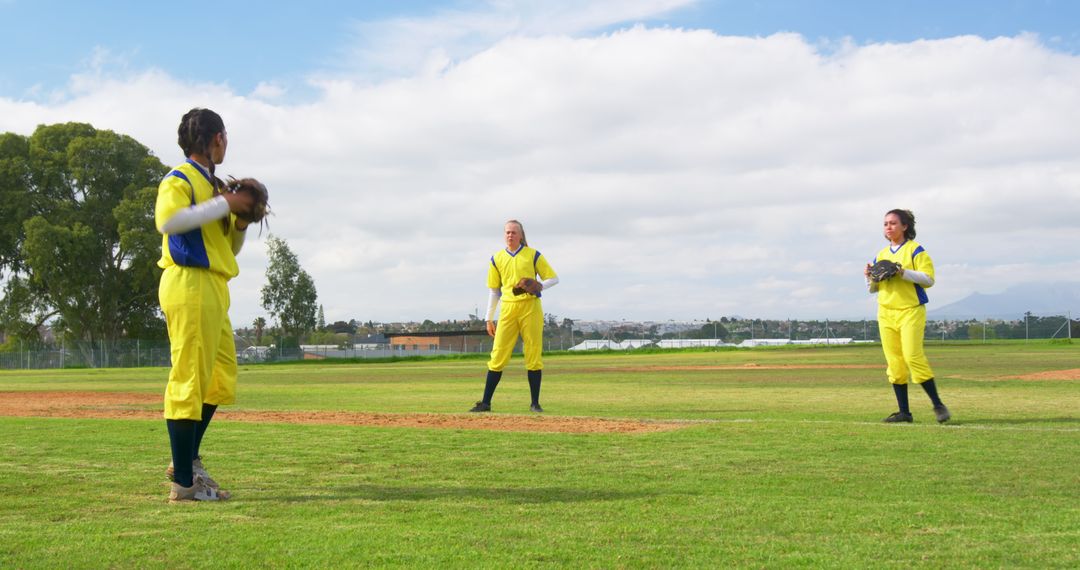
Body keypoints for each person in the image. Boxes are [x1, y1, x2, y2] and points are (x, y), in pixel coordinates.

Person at [156, 108, 255, 502]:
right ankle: (183, 484)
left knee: (220, 376)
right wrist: (227, 203)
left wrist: (241, 220)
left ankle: (186, 460)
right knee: (189, 379)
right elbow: (168, 221)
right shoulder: (179, 179)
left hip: (214, 285)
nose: (226, 143)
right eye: (225, 137)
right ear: (217, 139)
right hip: (188, 282)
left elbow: (227, 247)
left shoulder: (213, 189)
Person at [865, 209, 951, 424]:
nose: (888, 227)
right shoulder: (880, 254)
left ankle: (938, 404)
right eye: (885, 223)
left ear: (905, 226)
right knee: (894, 362)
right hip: (886, 312)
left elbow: (928, 280)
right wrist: (869, 276)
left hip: (910, 310)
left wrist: (902, 272)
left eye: (893, 223)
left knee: (913, 356)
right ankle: (904, 412)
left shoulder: (916, 250)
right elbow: (873, 289)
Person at [470, 220, 559, 413]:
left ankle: (535, 403)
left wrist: (540, 286)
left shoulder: (533, 255)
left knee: (533, 354)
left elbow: (553, 278)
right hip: (508, 309)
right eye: (507, 232)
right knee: (498, 355)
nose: (510, 235)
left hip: (531, 308)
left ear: (520, 235)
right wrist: (488, 318)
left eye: (513, 232)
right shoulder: (497, 258)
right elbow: (494, 291)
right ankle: (485, 403)